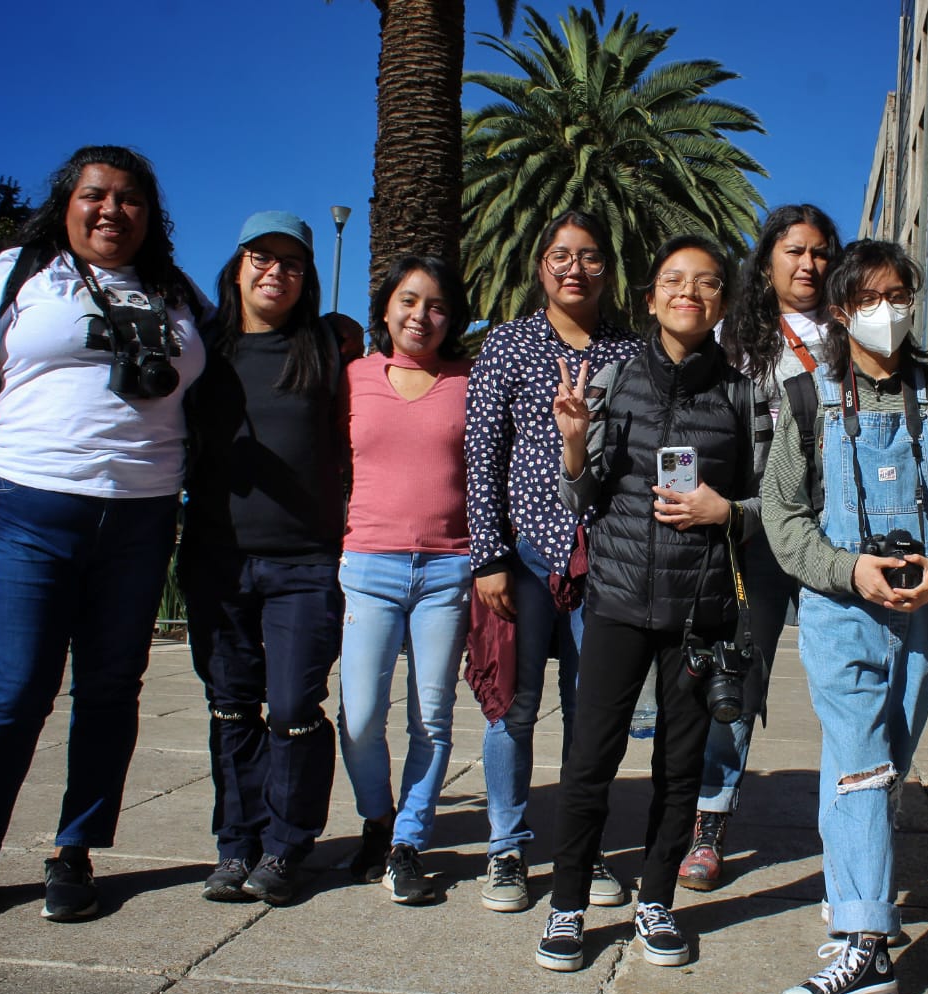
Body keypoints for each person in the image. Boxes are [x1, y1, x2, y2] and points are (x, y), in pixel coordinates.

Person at [0, 145, 206, 924]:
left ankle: (76, 849)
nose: (112, 211)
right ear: (67, 202)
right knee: (13, 691)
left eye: (130, 199)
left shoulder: (176, 294)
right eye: (95, 196)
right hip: (31, 504)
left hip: (142, 517)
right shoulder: (20, 271)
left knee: (109, 691)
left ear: (151, 212)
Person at [763, 240, 928, 994]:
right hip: (839, 611)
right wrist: (845, 568)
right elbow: (783, 517)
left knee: (875, 766)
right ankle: (868, 946)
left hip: (922, 613)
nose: (886, 311)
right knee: (860, 763)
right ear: (840, 308)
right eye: (869, 298)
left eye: (900, 294)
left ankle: (847, 897)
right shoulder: (805, 399)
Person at [533, 235, 765, 973]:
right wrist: (574, 443)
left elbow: (776, 506)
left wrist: (722, 510)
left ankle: (655, 901)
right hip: (617, 603)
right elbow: (584, 495)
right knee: (589, 760)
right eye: (673, 279)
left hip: (701, 616)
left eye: (704, 283)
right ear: (650, 295)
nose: (687, 293)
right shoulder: (612, 378)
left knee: (681, 767)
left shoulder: (741, 391)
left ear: (723, 301)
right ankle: (567, 904)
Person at [464, 211, 644, 912]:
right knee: (512, 706)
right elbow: (481, 455)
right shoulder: (507, 347)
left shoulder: (631, 353)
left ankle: (583, 846)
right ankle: (506, 848)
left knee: (590, 712)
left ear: (607, 268)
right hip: (524, 557)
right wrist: (488, 556)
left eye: (591, 256)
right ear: (541, 265)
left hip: (606, 559)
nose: (576, 268)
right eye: (562, 255)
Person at [181, 211, 348, 906]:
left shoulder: (328, 349)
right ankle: (236, 843)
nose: (275, 272)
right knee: (230, 707)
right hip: (217, 560)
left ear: (306, 279)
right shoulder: (202, 348)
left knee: (292, 706)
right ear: (238, 264)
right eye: (262, 258)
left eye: (292, 263)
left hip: (303, 563)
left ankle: (286, 843)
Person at [678, 204, 841, 892]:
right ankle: (709, 823)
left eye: (822, 252)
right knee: (738, 684)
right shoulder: (733, 342)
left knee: (846, 687)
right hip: (759, 537)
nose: (809, 264)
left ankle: (850, 831)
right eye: (795, 250)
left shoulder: (853, 333)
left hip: (838, 540)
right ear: (767, 260)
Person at [337, 256, 475, 905]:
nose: (422, 315)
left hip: (448, 568)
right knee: (361, 714)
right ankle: (375, 815)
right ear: (386, 307)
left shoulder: (466, 382)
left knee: (432, 716)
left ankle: (407, 840)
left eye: (437, 305)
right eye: (409, 300)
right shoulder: (354, 378)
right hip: (369, 565)